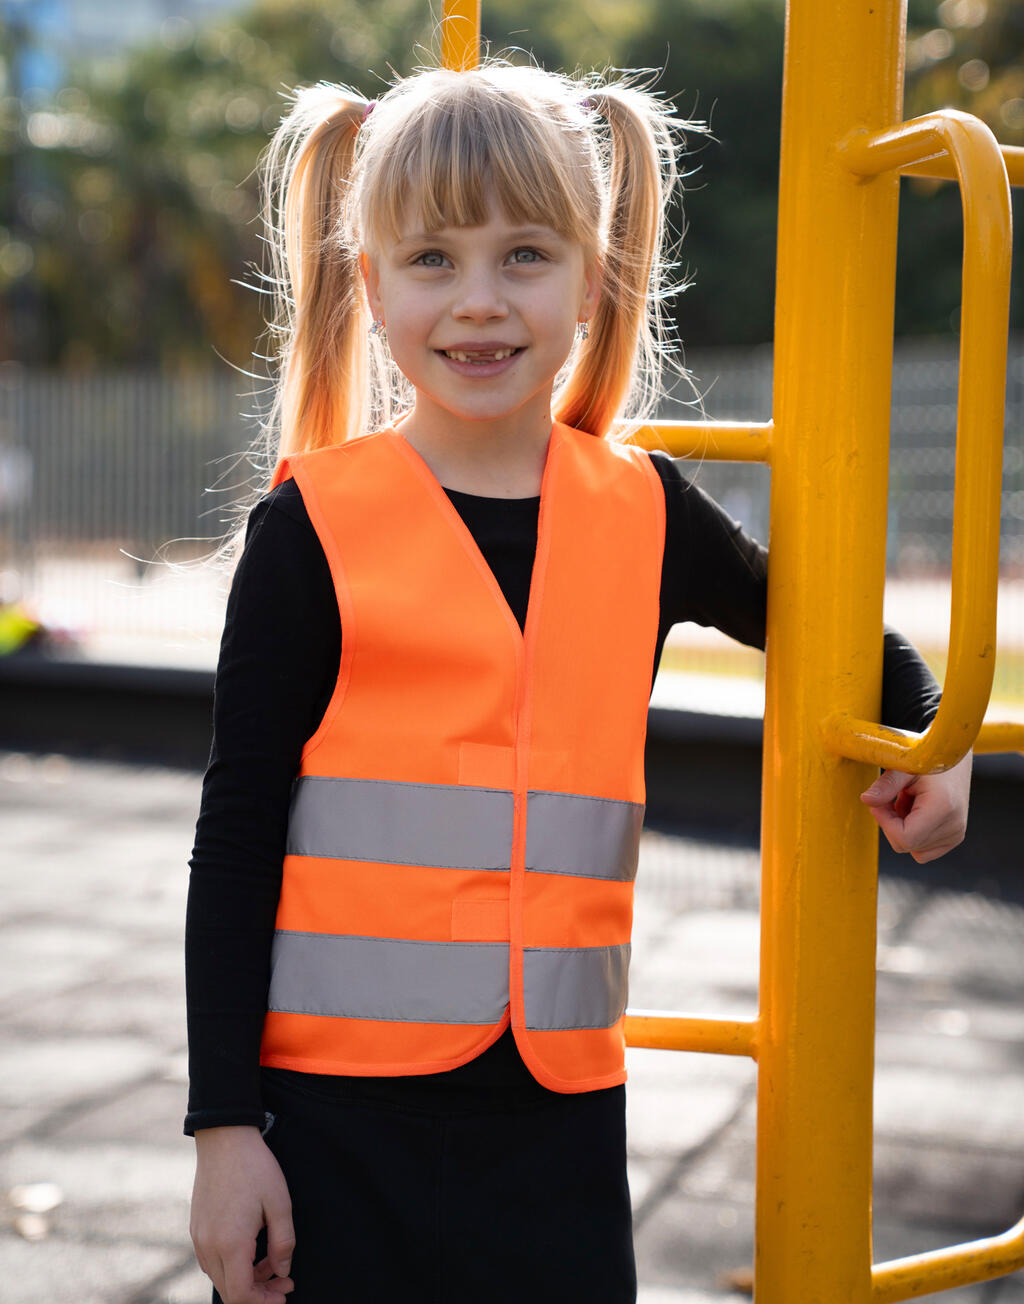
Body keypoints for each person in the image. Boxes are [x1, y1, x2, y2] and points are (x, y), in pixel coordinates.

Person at [185, 59, 971, 1304]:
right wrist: (223, 1128)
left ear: (593, 273)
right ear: (371, 282)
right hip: (331, 1122)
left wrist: (933, 736)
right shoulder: (315, 528)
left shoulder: (644, 513)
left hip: (558, 1120)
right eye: (433, 258)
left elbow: (848, 643)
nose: (480, 301)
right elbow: (234, 839)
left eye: (526, 254)